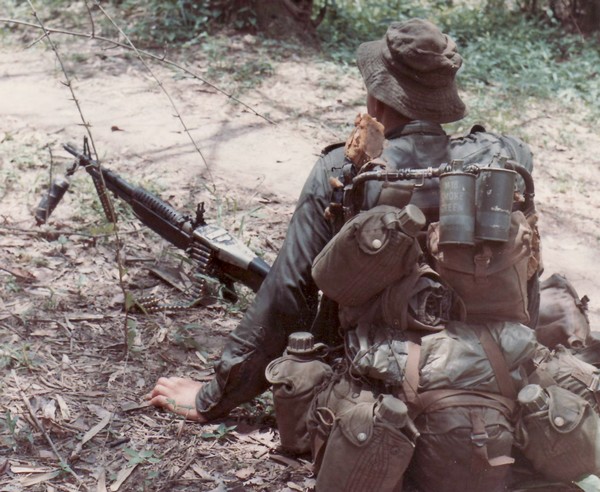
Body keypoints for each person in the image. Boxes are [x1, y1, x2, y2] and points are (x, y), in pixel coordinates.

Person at [146, 18, 536, 423]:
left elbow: (288, 294)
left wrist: (211, 397)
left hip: (381, 384)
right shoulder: (500, 164)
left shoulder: (346, 171)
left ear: (376, 99)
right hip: (491, 373)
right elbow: (526, 278)